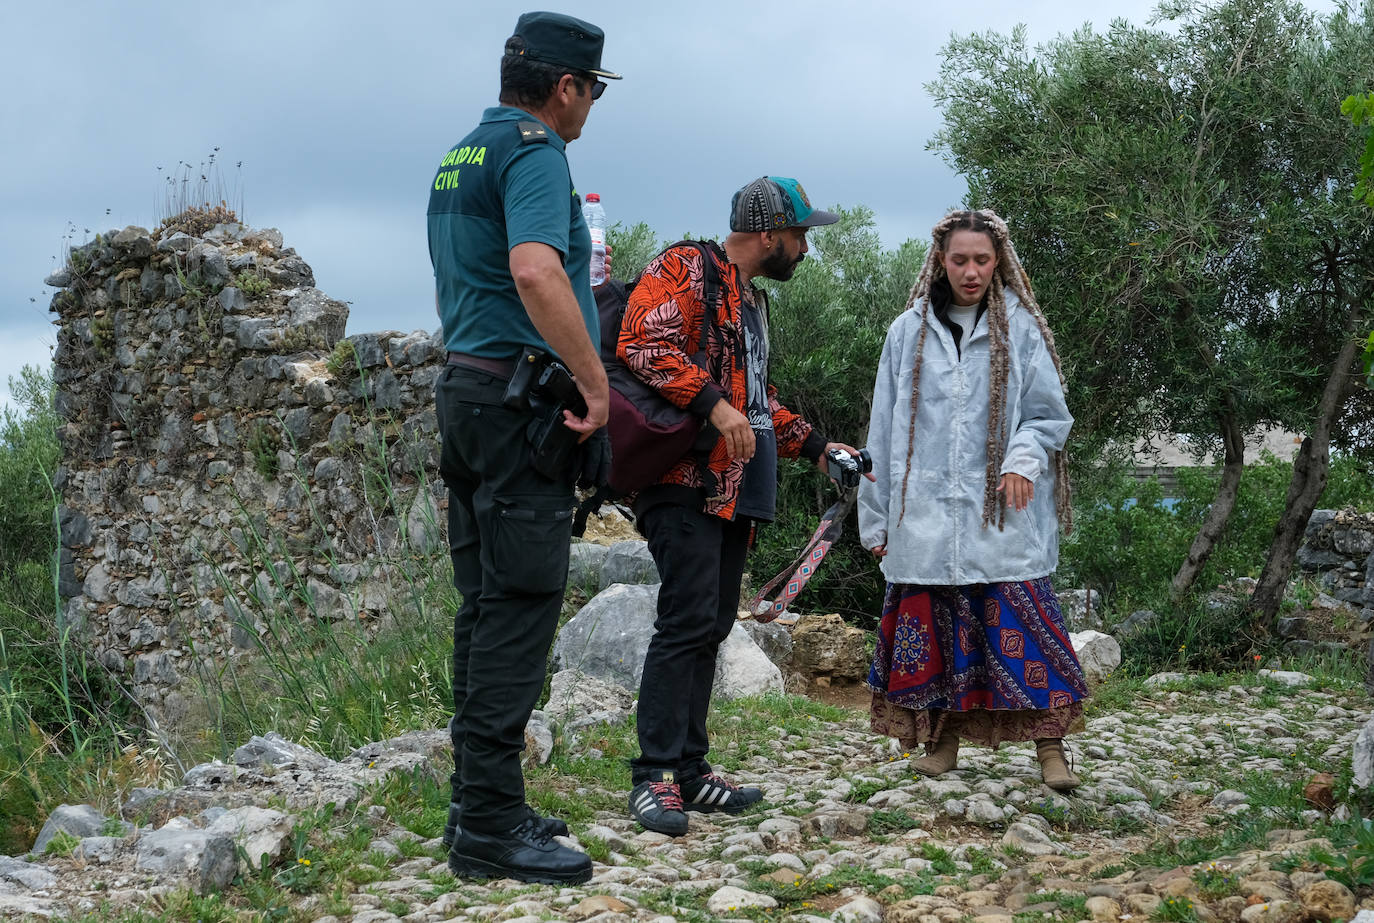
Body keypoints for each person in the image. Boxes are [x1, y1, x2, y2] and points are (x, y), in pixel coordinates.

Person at [427, 11, 619, 883]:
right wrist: (594, 382)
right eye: (593, 92)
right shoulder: (537, 151)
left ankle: (478, 803)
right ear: (566, 86)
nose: (590, 109)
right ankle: (492, 831)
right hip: (518, 404)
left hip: (465, 390)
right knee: (521, 603)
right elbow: (537, 270)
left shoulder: (462, 151)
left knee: (482, 604)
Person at [619, 176, 868, 835]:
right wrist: (713, 403)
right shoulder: (685, 267)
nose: (806, 249)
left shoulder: (752, 301)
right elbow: (642, 344)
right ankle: (654, 778)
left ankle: (692, 772)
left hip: (737, 494)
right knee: (684, 621)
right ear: (769, 235)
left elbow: (757, 403)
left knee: (710, 625)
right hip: (685, 480)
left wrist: (816, 447)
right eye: (800, 235)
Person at [858, 209, 1088, 792]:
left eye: (981, 260)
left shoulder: (1022, 330)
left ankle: (1050, 750)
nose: (970, 271)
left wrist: (1021, 461)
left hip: (1002, 521)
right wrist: (876, 518)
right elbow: (881, 432)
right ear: (940, 259)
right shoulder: (905, 334)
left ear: (998, 262)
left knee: (1024, 629)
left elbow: (1046, 416)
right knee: (938, 634)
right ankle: (944, 743)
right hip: (925, 519)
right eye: (959, 259)